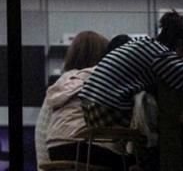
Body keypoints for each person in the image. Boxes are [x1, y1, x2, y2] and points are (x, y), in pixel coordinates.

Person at [81, 11, 183, 130]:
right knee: (160, 126)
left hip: (90, 108)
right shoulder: (160, 55)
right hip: (107, 110)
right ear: (179, 44)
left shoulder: (144, 44)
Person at [39, 31, 126, 168]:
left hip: (56, 150)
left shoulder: (62, 82)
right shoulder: (103, 78)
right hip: (92, 150)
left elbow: (41, 131)